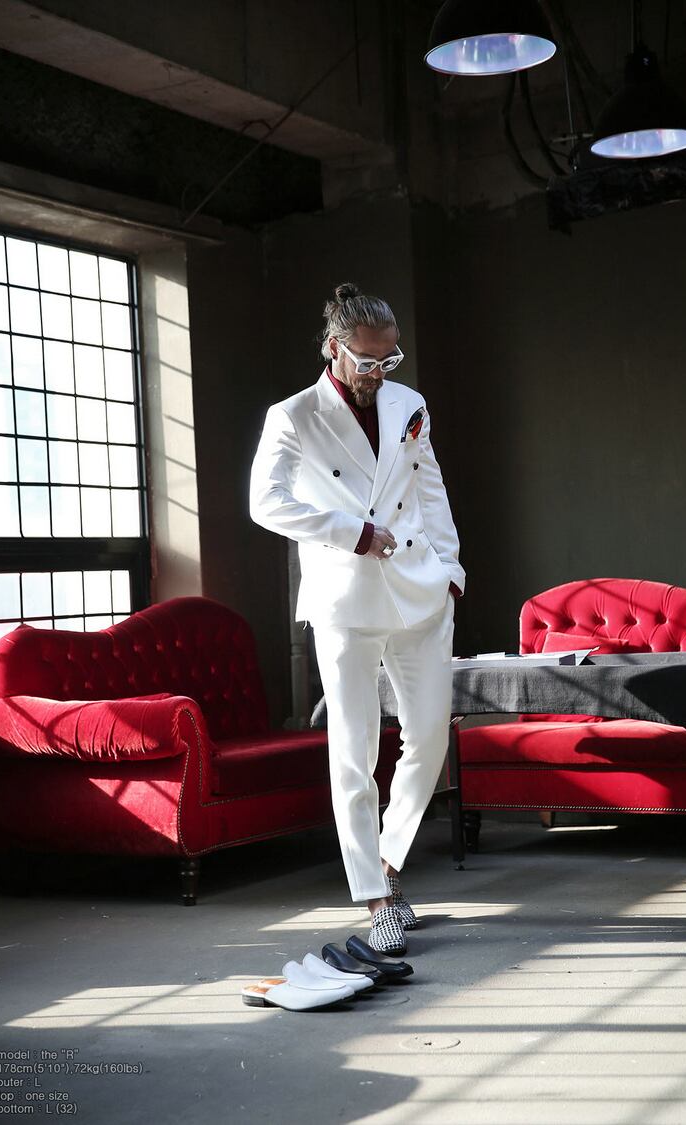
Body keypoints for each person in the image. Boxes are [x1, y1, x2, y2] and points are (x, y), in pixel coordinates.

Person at [249, 283, 465, 955]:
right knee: (354, 751)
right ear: (334, 348)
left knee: (428, 737)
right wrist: (352, 532)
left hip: (421, 586)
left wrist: (451, 567)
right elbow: (266, 502)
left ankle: (390, 861)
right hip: (345, 595)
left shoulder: (409, 403)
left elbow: (429, 485)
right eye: (368, 360)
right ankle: (375, 898)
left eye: (389, 359)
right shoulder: (294, 415)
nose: (379, 372)